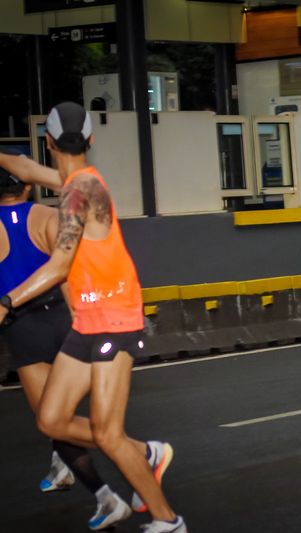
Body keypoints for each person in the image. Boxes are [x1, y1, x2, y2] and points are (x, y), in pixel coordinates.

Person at [0, 102, 187, 533]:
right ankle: (147, 454)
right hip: (87, 320)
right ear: (90, 140)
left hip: (115, 320)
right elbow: (22, 167)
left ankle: (168, 521)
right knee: (51, 419)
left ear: (47, 141)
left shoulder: (79, 192)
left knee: (107, 434)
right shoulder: (77, 182)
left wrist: (6, 303)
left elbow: (60, 265)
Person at [0, 164, 137, 530]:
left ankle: (109, 494)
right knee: (68, 415)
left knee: (53, 422)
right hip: (63, 318)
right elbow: (65, 270)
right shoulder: (46, 215)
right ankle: (130, 467)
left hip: (22, 327)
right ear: (26, 187)